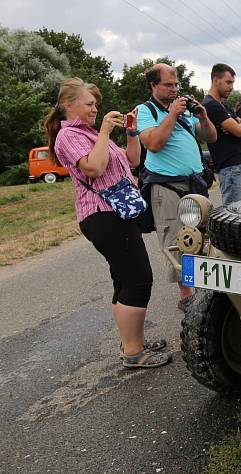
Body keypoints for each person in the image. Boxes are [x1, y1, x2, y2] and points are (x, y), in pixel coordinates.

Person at [44, 77, 170, 368]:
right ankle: (134, 352)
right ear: (68, 105)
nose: (94, 109)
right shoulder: (70, 137)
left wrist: (131, 133)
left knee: (123, 280)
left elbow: (133, 160)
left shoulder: (90, 134)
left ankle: (131, 341)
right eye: (89, 104)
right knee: (139, 280)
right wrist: (102, 132)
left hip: (116, 214)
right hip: (102, 215)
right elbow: (94, 167)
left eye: (95, 105)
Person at [137, 63, 217, 310]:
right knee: (177, 242)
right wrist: (171, 114)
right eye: (167, 85)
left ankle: (205, 290)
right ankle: (187, 298)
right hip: (167, 185)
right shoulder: (145, 110)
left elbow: (211, 137)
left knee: (204, 238)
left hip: (194, 184)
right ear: (153, 85)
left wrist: (203, 117)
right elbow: (154, 143)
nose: (174, 89)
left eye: (176, 85)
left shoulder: (184, 111)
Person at [202, 63, 241, 205]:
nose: (231, 87)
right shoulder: (210, 105)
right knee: (234, 215)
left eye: (233, 83)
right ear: (215, 80)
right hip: (231, 166)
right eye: (228, 82)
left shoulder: (224, 106)